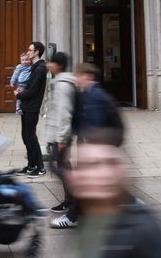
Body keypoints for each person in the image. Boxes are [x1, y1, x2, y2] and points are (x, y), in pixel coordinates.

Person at [68, 130, 161, 258]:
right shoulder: (90, 219)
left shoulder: (142, 229)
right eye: (91, 165)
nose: (104, 172)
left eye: (112, 163)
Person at [52, 62, 124, 230]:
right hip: (98, 148)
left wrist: (95, 146)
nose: (76, 79)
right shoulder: (87, 94)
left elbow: (102, 124)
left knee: (85, 182)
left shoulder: (97, 97)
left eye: (79, 76)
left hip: (100, 148)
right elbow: (79, 119)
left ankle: (72, 217)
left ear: (89, 77)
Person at [44, 51, 77, 214]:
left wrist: (62, 138)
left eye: (52, 63)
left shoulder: (63, 85)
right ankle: (70, 200)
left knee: (61, 167)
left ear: (59, 66)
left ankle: (74, 200)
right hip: (59, 134)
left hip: (62, 135)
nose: (49, 65)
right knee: (62, 166)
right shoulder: (58, 82)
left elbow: (65, 112)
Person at [15, 41, 48, 177]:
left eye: (30, 50)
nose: (28, 52)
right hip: (27, 106)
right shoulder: (34, 67)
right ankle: (31, 165)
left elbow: (33, 90)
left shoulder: (40, 68)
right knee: (26, 136)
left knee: (31, 137)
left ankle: (40, 167)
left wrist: (19, 94)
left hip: (32, 107)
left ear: (36, 52)